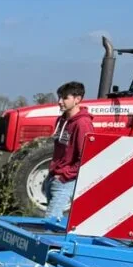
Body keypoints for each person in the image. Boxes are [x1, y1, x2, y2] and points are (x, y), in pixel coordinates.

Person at [45, 81, 94, 221]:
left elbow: (86, 156)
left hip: (65, 180)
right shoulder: (61, 120)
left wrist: (65, 175)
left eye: (65, 98)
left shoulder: (82, 124)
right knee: (55, 220)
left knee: (50, 219)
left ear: (77, 99)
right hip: (54, 177)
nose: (59, 102)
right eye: (59, 97)